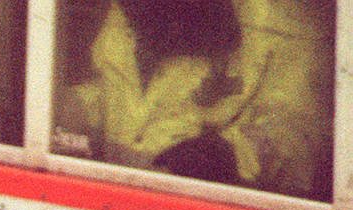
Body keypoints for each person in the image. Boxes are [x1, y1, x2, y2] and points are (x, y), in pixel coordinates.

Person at [55, 0, 331, 199]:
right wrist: (68, 110)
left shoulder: (280, 23)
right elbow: (116, 85)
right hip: (114, 197)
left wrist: (231, 155)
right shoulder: (131, 9)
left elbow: (297, 133)